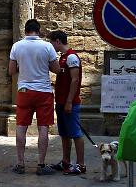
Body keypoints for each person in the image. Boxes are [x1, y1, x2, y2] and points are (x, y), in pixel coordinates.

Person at [9, 19, 60, 175]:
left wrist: (22, 65)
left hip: (24, 90)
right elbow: (56, 69)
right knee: (43, 127)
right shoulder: (47, 46)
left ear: (25, 31)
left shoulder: (17, 46)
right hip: (43, 91)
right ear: (39, 31)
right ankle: (41, 164)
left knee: (21, 127)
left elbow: (11, 71)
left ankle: (20, 163)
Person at [48, 30, 86, 175]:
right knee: (64, 133)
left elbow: (75, 80)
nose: (51, 46)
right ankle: (66, 161)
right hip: (61, 102)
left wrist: (70, 101)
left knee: (76, 133)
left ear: (58, 41)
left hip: (70, 102)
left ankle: (81, 164)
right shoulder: (63, 57)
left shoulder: (71, 57)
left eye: (52, 42)